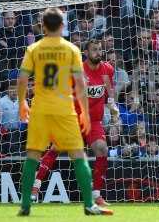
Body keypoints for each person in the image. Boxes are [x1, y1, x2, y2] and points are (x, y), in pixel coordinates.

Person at [17, 8, 112, 216]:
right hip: (65, 110)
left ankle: (25, 205)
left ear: (43, 27)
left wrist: (22, 102)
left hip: (40, 108)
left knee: (32, 156)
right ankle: (89, 204)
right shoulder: (71, 50)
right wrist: (85, 113)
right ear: (62, 26)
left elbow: (23, 78)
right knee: (78, 156)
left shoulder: (33, 48)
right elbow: (79, 84)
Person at [30, 39, 118, 207]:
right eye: (94, 50)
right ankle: (35, 186)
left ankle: (96, 194)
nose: (98, 52)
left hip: (94, 121)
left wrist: (112, 105)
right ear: (86, 52)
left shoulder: (108, 69)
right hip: (73, 118)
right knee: (56, 148)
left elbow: (109, 92)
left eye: (100, 49)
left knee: (102, 148)